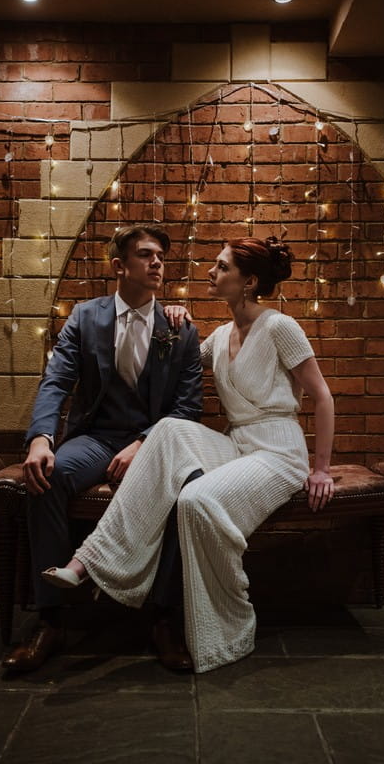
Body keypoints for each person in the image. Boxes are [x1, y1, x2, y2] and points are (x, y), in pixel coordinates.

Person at [43, 236, 335, 674]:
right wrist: (171, 320)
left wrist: (321, 469)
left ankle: (226, 624)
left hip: (278, 452)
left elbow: (323, 397)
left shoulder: (280, 327)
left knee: (194, 500)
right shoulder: (218, 337)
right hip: (237, 443)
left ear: (249, 280)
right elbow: (174, 359)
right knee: (168, 429)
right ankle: (89, 560)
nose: (210, 273)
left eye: (221, 267)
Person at [2, 224, 203, 673]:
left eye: (161, 257)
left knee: (189, 492)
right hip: (96, 437)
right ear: (119, 266)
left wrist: (143, 443)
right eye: (147, 255)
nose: (157, 263)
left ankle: (164, 619)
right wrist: (40, 438)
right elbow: (57, 380)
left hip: (154, 441)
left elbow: (188, 407)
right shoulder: (85, 317)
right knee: (46, 478)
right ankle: (51, 621)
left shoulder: (181, 329)